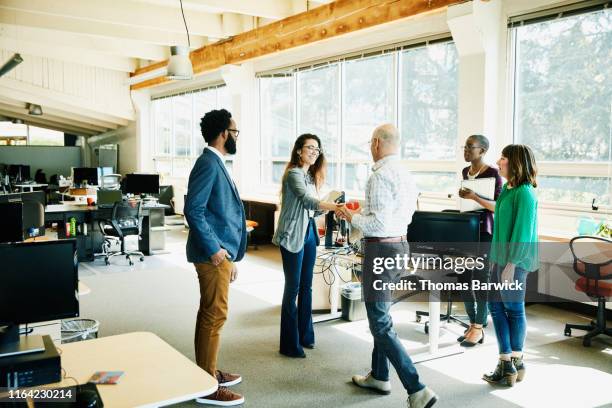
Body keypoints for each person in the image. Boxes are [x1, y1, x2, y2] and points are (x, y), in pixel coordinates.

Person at [337, 124, 438, 408]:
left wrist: (350, 217)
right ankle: (380, 375)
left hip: (381, 248)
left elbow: (378, 223)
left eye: (371, 142)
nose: (370, 147)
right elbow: (396, 215)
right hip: (399, 245)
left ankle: (416, 388)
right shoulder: (405, 173)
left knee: (379, 323)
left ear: (377, 143)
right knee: (381, 314)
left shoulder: (380, 175)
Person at [184, 109, 246, 406]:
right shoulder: (208, 163)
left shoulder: (216, 161)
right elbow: (193, 210)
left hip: (219, 252)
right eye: (234, 132)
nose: (236, 137)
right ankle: (207, 386)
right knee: (214, 315)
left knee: (209, 313)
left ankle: (204, 372)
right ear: (223, 133)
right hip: (212, 254)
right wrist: (217, 251)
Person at [272, 134, 340, 358]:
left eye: (317, 149)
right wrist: (332, 206)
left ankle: (305, 335)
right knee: (292, 288)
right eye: (309, 147)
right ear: (299, 150)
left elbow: (312, 209)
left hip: (309, 232)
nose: (314, 152)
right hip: (293, 234)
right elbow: (306, 200)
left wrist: (330, 206)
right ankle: (289, 344)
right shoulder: (293, 174)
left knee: (306, 286)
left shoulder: (310, 177)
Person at [482, 144, 538, 387]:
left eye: (503, 157)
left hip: (514, 262)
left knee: (514, 309)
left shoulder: (525, 193)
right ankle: (510, 362)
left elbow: (522, 234)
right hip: (500, 259)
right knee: (495, 307)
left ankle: (512, 361)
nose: (498, 161)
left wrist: (511, 265)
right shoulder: (507, 188)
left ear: (515, 162)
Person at [456, 135, 502, 347]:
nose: (465, 150)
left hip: (485, 232)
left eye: (469, 147)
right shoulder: (466, 172)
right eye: (464, 146)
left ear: (482, 151)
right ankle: (472, 321)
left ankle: (479, 325)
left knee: (481, 278)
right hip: (467, 230)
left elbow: (497, 207)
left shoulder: (494, 174)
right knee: (464, 277)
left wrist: (474, 197)